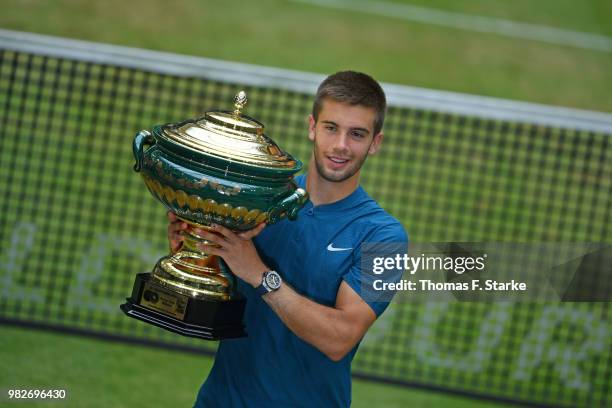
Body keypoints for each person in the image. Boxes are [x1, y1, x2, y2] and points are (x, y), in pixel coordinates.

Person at [168, 71, 408, 407]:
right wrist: (193, 251)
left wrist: (259, 275)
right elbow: (214, 308)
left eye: (357, 134)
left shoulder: (384, 238)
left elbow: (339, 338)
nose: (341, 145)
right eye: (331, 127)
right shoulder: (259, 200)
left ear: (375, 143)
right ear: (312, 127)